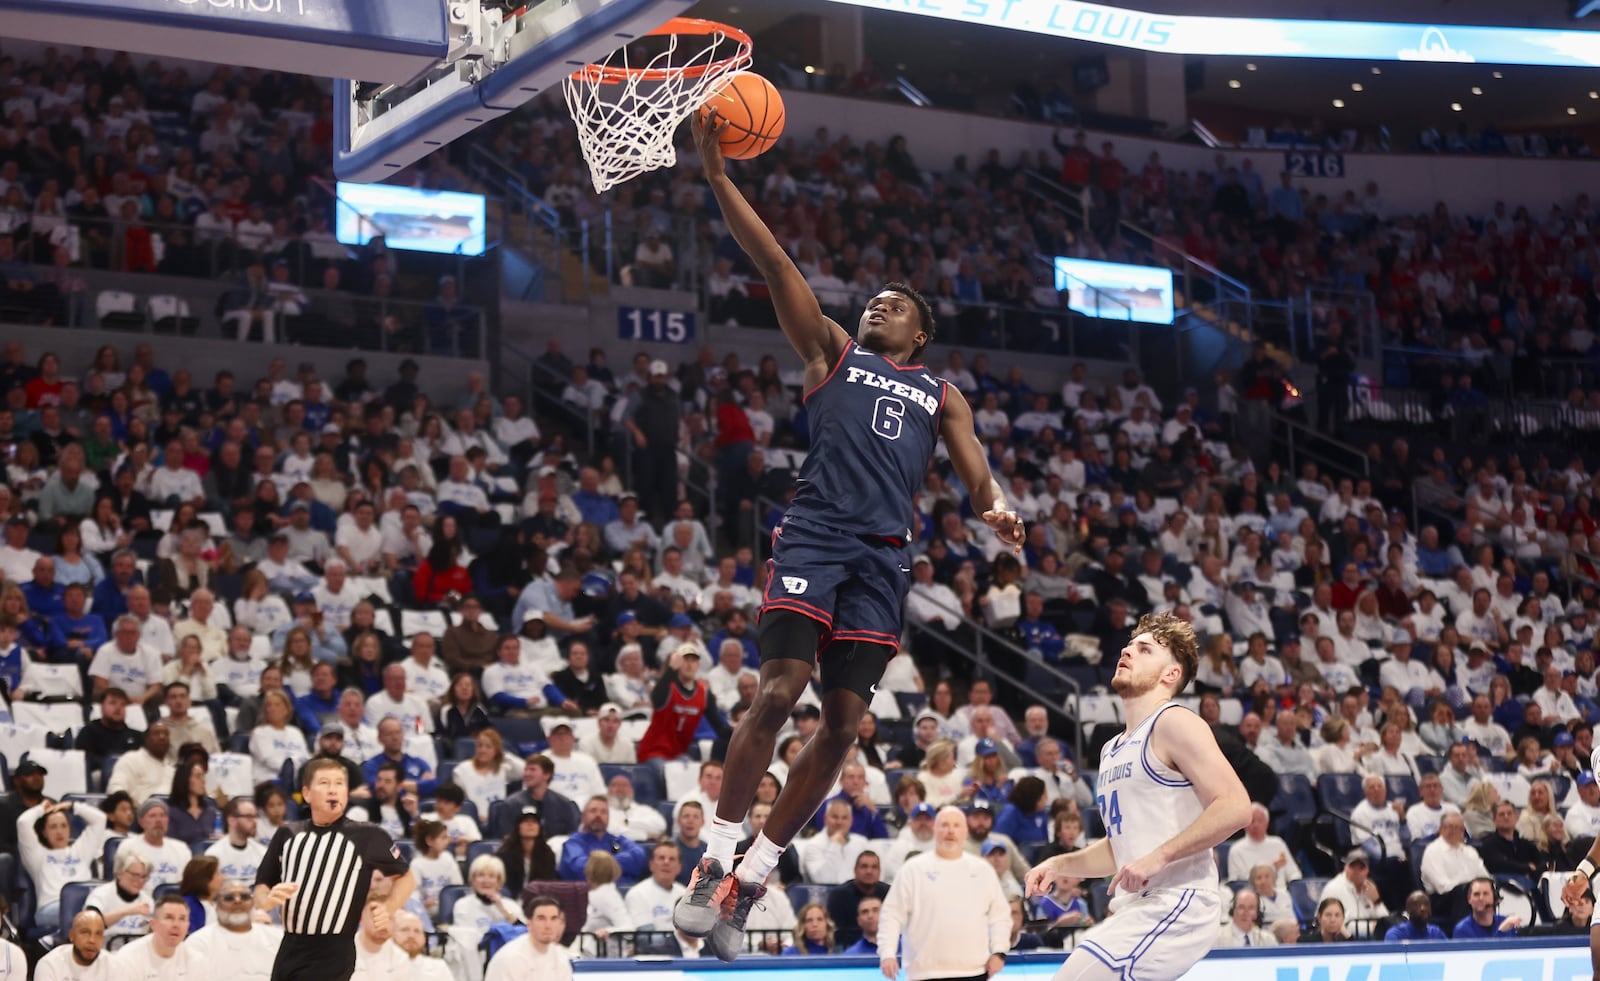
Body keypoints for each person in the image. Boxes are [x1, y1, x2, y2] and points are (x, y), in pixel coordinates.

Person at [676, 110, 1024, 964]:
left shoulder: (941, 394)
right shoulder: (830, 349)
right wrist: (719, 175)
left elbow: (976, 467)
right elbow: (774, 263)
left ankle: (752, 872)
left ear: (921, 333)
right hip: (817, 535)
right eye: (877, 298)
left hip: (883, 558)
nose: (880, 304)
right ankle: (713, 854)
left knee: (841, 724)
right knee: (778, 687)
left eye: (897, 305)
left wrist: (995, 503)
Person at [1023, 613, 1251, 981]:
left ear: (1171, 675)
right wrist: (1059, 865)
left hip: (1179, 899)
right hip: (1135, 906)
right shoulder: (1112, 747)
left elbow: (1237, 806)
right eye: (1128, 646)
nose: (1127, 652)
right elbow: (1123, 849)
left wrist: (1159, 856)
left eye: (1144, 649)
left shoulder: (1174, 721)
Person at [254, 757, 417, 980]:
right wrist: (265, 900)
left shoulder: (368, 835)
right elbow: (262, 885)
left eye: (339, 783)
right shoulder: (287, 834)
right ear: (307, 793)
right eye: (324, 783)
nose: (333, 789)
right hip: (290, 947)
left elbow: (406, 877)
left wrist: (388, 908)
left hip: (334, 950)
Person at [877, 806, 1010, 979]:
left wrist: (999, 951)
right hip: (924, 974)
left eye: (956, 825)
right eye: (944, 825)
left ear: (966, 831)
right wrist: (887, 953)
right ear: (934, 829)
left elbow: (1000, 916)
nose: (950, 831)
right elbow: (892, 914)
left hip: (974, 971)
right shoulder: (913, 869)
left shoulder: (983, 870)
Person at [187, 879, 285, 979]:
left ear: (253, 903)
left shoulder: (278, 937)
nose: (238, 901)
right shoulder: (199, 942)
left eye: (245, 897)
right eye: (229, 898)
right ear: (216, 906)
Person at [483, 895, 570, 981]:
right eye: (541, 919)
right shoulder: (511, 958)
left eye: (553, 919)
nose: (548, 925)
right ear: (529, 923)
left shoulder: (560, 956)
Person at [112, 894, 194, 975]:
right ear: (153, 924)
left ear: (188, 925)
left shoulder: (195, 959)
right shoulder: (129, 957)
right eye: (169, 917)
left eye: (182, 919)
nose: (176, 925)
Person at [35, 909, 113, 980]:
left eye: (98, 934)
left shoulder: (113, 966)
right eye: (85, 932)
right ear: (72, 935)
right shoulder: (50, 965)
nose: (92, 940)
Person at [1453, 877, 1523, 938]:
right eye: (1476, 894)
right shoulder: (1462, 930)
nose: (1481, 898)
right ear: (1469, 899)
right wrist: (1501, 932)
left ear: (1494, 897)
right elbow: (1485, 953)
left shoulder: (1506, 922)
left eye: (1485, 893)